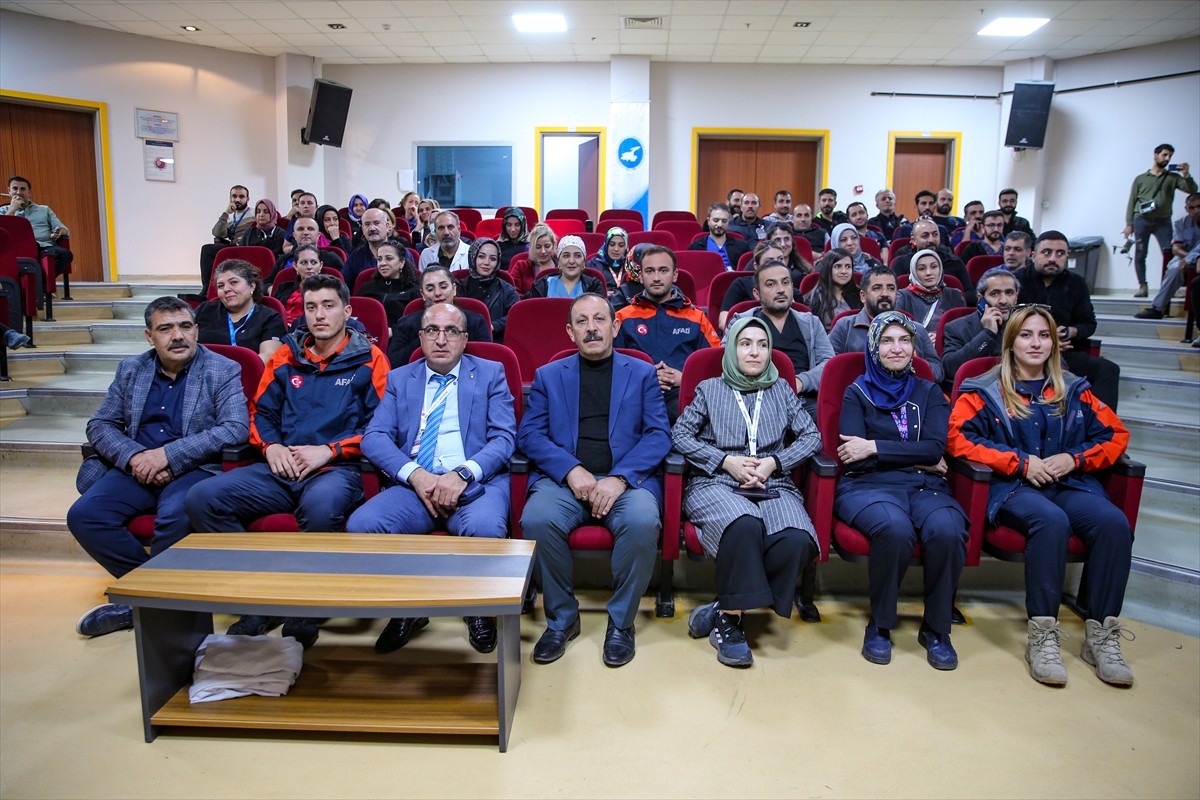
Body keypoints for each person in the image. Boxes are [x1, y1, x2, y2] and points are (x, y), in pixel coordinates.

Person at [186, 274, 389, 649]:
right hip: (280, 466)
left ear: (347, 311)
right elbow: (260, 413)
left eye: (328, 306)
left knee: (321, 507)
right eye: (311, 307)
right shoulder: (285, 355)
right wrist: (272, 448)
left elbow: (381, 428)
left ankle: (306, 604)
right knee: (203, 498)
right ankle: (260, 595)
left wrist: (330, 450)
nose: (319, 315)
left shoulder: (370, 360)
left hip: (336, 467)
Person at [948, 305, 1135, 686]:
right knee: (1050, 522)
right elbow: (958, 440)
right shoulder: (983, 389)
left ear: (1054, 343)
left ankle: (1101, 635)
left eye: (1044, 335)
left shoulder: (1075, 388)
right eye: (1026, 335)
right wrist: (1018, 463)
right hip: (1012, 486)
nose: (1036, 343)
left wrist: (1074, 458)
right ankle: (1044, 634)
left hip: (1069, 483)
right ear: (1010, 342)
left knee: (1114, 524)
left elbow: (1115, 436)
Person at [68, 297, 248, 637]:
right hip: (137, 468)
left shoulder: (222, 369)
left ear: (196, 331)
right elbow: (100, 424)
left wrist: (168, 456)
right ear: (150, 337)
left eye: (185, 326)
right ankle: (155, 596)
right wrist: (136, 457)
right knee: (85, 516)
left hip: (195, 468)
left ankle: (143, 603)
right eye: (166, 329)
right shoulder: (131, 369)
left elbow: (234, 428)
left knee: (177, 516)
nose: (177, 336)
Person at [347, 303, 517, 655]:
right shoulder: (401, 379)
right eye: (432, 331)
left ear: (465, 339)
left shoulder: (490, 373)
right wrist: (416, 475)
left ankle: (478, 609)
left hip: (474, 483)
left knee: (485, 528)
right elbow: (374, 437)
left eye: (451, 331)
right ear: (421, 337)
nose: (441, 339)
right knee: (363, 525)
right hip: (416, 484)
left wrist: (463, 473)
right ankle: (407, 607)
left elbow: (503, 438)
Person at [517, 293, 671, 667]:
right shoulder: (549, 376)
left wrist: (620, 478)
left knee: (642, 521)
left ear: (615, 326)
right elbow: (530, 434)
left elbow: (658, 435)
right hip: (564, 481)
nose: (591, 328)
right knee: (537, 518)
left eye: (599, 319)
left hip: (625, 481)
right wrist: (571, 470)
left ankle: (621, 623)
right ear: (570, 332)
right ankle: (562, 620)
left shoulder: (642, 373)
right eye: (582, 322)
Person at [672, 316, 822, 668]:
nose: (754, 352)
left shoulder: (782, 390)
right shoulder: (710, 389)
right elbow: (680, 435)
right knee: (744, 525)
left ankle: (724, 607)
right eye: (745, 344)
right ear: (732, 350)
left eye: (762, 345)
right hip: (716, 482)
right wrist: (725, 461)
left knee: (797, 539)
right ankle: (730, 624)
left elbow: (812, 436)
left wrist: (774, 462)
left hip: (772, 482)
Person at [834, 311, 969, 669]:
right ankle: (880, 625)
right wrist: (915, 458)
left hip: (925, 486)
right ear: (873, 347)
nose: (897, 348)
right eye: (887, 340)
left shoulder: (930, 392)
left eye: (905, 340)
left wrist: (875, 447)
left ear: (914, 347)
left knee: (948, 529)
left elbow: (935, 449)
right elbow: (854, 459)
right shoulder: (856, 392)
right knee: (894, 529)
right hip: (867, 487)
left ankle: (937, 628)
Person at [1014, 230, 1121, 410]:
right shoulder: (1017, 281)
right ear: (1033, 255)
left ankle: (1101, 424)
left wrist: (1069, 332)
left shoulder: (1077, 283)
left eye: (1060, 253)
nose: (1053, 258)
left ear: (1067, 256)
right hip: (1023, 352)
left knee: (1108, 370)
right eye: (1046, 252)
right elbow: (1006, 322)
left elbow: (1089, 324)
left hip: (1063, 354)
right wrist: (1046, 339)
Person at [615, 245, 720, 420]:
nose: (656, 278)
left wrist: (686, 379)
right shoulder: (622, 318)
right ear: (640, 276)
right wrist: (645, 378)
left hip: (685, 399)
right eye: (650, 271)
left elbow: (715, 365)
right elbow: (610, 367)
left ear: (675, 275)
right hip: (635, 398)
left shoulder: (697, 317)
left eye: (663, 270)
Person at [726, 261, 833, 416]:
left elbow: (828, 363)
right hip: (755, 397)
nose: (781, 290)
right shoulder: (740, 322)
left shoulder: (811, 323)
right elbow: (727, 361)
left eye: (785, 282)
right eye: (771, 284)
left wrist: (801, 381)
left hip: (802, 398)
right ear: (756, 293)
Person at [829, 266, 944, 383]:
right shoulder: (844, 326)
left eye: (891, 288)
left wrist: (912, 362)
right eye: (877, 288)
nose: (885, 293)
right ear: (863, 296)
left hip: (909, 391)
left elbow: (937, 372)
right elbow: (829, 369)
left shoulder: (917, 329)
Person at [1123, 145, 1196, 297]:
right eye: (1164, 155)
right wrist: (1129, 223)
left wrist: (1186, 175)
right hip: (1141, 219)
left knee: (1169, 253)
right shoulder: (1141, 179)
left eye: (1170, 156)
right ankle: (1143, 286)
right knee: (1140, 254)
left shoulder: (1172, 177)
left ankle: (1170, 286)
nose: (1167, 158)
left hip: (1163, 221)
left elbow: (1192, 191)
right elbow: (1132, 201)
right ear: (1155, 155)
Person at [387, 265, 492, 366]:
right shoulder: (406, 323)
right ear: (422, 294)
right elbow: (394, 363)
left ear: (454, 289)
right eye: (430, 289)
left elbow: (488, 361)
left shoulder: (475, 321)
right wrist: (427, 334)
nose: (437, 293)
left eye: (443, 287)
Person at [195, 259, 285, 361]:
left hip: (248, 370)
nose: (226, 289)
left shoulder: (270, 318)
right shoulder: (204, 310)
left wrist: (229, 369)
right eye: (221, 286)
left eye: (233, 282)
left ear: (251, 286)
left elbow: (268, 356)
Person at [941, 267, 1020, 384]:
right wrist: (987, 334)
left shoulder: (1025, 327)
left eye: (1009, 293)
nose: (1004, 301)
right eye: (995, 293)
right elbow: (950, 369)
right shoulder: (957, 327)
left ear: (1016, 297)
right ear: (980, 298)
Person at [1135, 192, 1200, 319]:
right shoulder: (1180, 223)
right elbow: (1175, 249)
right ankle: (1157, 308)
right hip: (1185, 257)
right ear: (1186, 209)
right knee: (1175, 268)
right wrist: (1188, 258)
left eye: (1199, 206)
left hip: (1195, 259)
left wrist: (1191, 258)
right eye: (1192, 208)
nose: (1196, 211)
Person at [3, 175, 73, 287]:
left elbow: (64, 229)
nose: (18, 192)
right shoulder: (3, 211)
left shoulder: (44, 210)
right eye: (15, 188)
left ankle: (38, 286)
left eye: (23, 189)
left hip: (43, 247)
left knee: (65, 254)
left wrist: (59, 231)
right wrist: (12, 210)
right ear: (9, 191)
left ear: (29, 193)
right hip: (15, 249)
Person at [889, 219, 975, 305]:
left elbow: (971, 295)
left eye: (935, 235)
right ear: (913, 240)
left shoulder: (954, 261)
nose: (931, 240)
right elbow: (892, 294)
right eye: (925, 236)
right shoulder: (901, 263)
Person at [895, 249, 967, 345]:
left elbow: (964, 329)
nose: (928, 272)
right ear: (914, 271)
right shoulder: (903, 296)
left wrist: (940, 336)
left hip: (949, 346)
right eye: (922, 268)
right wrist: (920, 338)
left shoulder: (954, 295)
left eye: (934, 267)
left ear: (940, 269)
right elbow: (896, 328)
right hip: (916, 348)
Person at [456, 236, 519, 343]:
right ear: (473, 257)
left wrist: (494, 326)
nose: (486, 262)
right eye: (481, 256)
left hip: (496, 342)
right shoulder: (459, 286)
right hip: (461, 342)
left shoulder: (506, 289)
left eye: (493, 259)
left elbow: (517, 315)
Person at [197, 184, 254, 290]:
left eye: (241, 196)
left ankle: (207, 289)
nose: (237, 199)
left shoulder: (254, 213)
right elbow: (217, 233)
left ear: (248, 199)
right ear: (230, 198)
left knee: (207, 249)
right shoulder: (231, 217)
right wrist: (226, 213)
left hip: (247, 247)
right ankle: (208, 288)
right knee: (207, 249)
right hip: (233, 247)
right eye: (234, 196)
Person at [718, 243, 785, 330]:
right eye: (769, 261)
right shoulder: (741, 285)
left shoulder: (790, 289)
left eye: (780, 259)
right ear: (756, 266)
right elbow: (723, 322)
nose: (776, 264)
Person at [356, 240, 420, 324]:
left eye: (389, 258)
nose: (382, 263)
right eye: (379, 259)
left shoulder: (414, 291)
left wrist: (393, 329)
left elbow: (415, 323)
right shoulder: (366, 288)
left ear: (402, 262)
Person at [268, 216, 344, 285]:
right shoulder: (283, 259)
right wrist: (270, 288)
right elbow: (267, 282)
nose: (305, 233)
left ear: (318, 235)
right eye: (300, 229)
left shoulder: (332, 258)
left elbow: (344, 285)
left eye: (310, 229)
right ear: (294, 235)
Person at [525, 235, 605, 299]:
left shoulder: (594, 286)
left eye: (577, 256)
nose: (571, 261)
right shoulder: (542, 285)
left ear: (584, 262)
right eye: (566, 256)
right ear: (559, 261)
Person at [803, 248, 862, 330]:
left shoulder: (859, 295)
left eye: (848, 266)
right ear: (828, 269)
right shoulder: (813, 300)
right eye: (838, 266)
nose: (844, 271)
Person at [341, 207, 396, 288]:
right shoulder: (355, 256)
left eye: (376, 223)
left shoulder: (401, 253)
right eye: (367, 224)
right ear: (363, 229)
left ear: (387, 226)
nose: (372, 228)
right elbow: (344, 287)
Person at [273, 244, 325, 327]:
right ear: (295, 266)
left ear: (320, 266)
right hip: (278, 328)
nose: (309, 267)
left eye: (314, 262)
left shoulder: (327, 291)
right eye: (304, 262)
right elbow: (272, 312)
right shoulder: (284, 287)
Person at [690, 202, 750, 271]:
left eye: (724, 221)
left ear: (728, 222)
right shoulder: (696, 246)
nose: (720, 225)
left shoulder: (742, 247)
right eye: (716, 220)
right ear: (708, 221)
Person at [510, 222, 556, 295]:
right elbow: (512, 294)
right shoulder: (521, 267)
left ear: (553, 245)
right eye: (538, 247)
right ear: (531, 247)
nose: (543, 251)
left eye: (547, 246)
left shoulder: (561, 268)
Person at [588, 226, 631, 292]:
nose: (616, 249)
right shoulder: (594, 265)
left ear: (626, 248)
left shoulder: (630, 267)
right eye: (612, 244)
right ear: (606, 245)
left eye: (621, 245)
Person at [496, 206, 529, 271]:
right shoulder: (497, 246)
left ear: (523, 225)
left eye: (517, 225)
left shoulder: (530, 246)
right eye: (509, 225)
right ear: (504, 226)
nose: (513, 229)